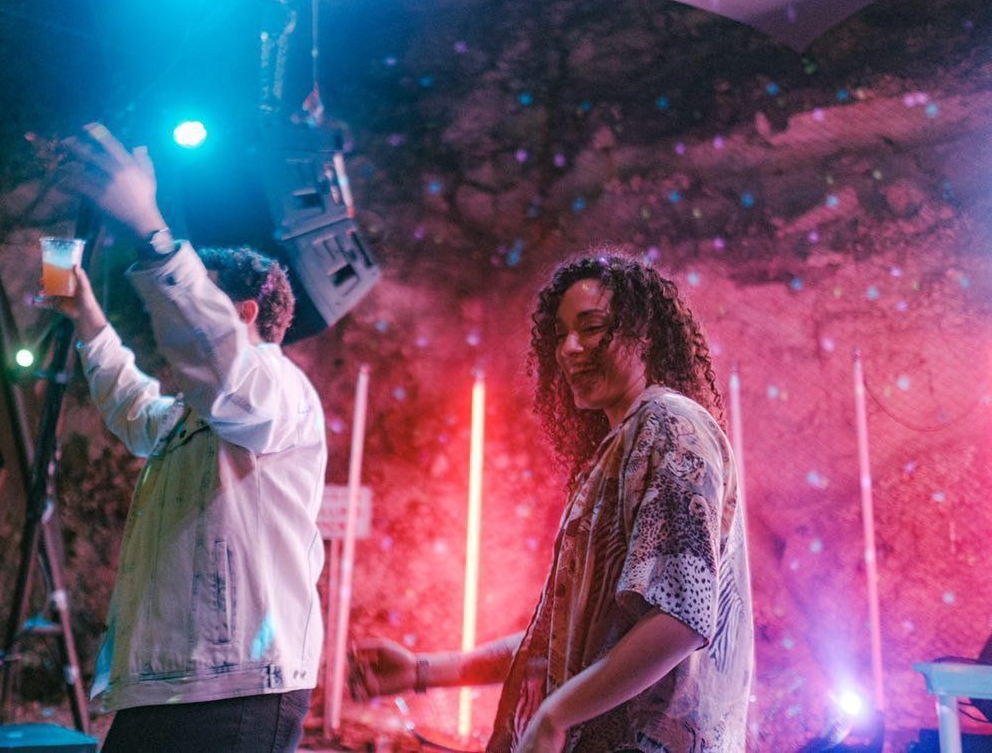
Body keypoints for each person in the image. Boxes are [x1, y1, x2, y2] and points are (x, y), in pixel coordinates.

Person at [350, 253, 754, 752]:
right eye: (560, 333)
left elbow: (680, 618)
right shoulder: (625, 443)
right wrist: (422, 670)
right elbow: (560, 643)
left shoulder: (669, 426)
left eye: (592, 327)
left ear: (643, 332)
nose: (570, 348)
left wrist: (555, 716)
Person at [41, 123, 327, 753]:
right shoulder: (197, 414)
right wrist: (89, 318)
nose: (174, 321)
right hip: (173, 685)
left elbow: (217, 356)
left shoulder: (278, 390)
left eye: (202, 301)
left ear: (244, 313)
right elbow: (135, 407)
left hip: (240, 688)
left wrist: (151, 231)